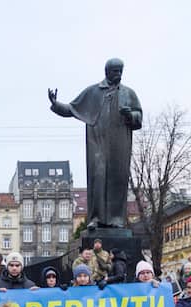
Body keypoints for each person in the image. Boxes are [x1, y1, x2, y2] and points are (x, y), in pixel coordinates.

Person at [48, 58, 142, 228]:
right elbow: (72, 109)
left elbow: (138, 118)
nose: (118, 74)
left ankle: (116, 220)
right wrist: (55, 104)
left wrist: (130, 115)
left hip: (120, 143)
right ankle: (96, 219)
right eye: (115, 71)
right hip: (97, 143)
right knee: (98, 177)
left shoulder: (129, 93)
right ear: (107, 72)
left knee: (118, 179)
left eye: (121, 71)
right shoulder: (93, 92)